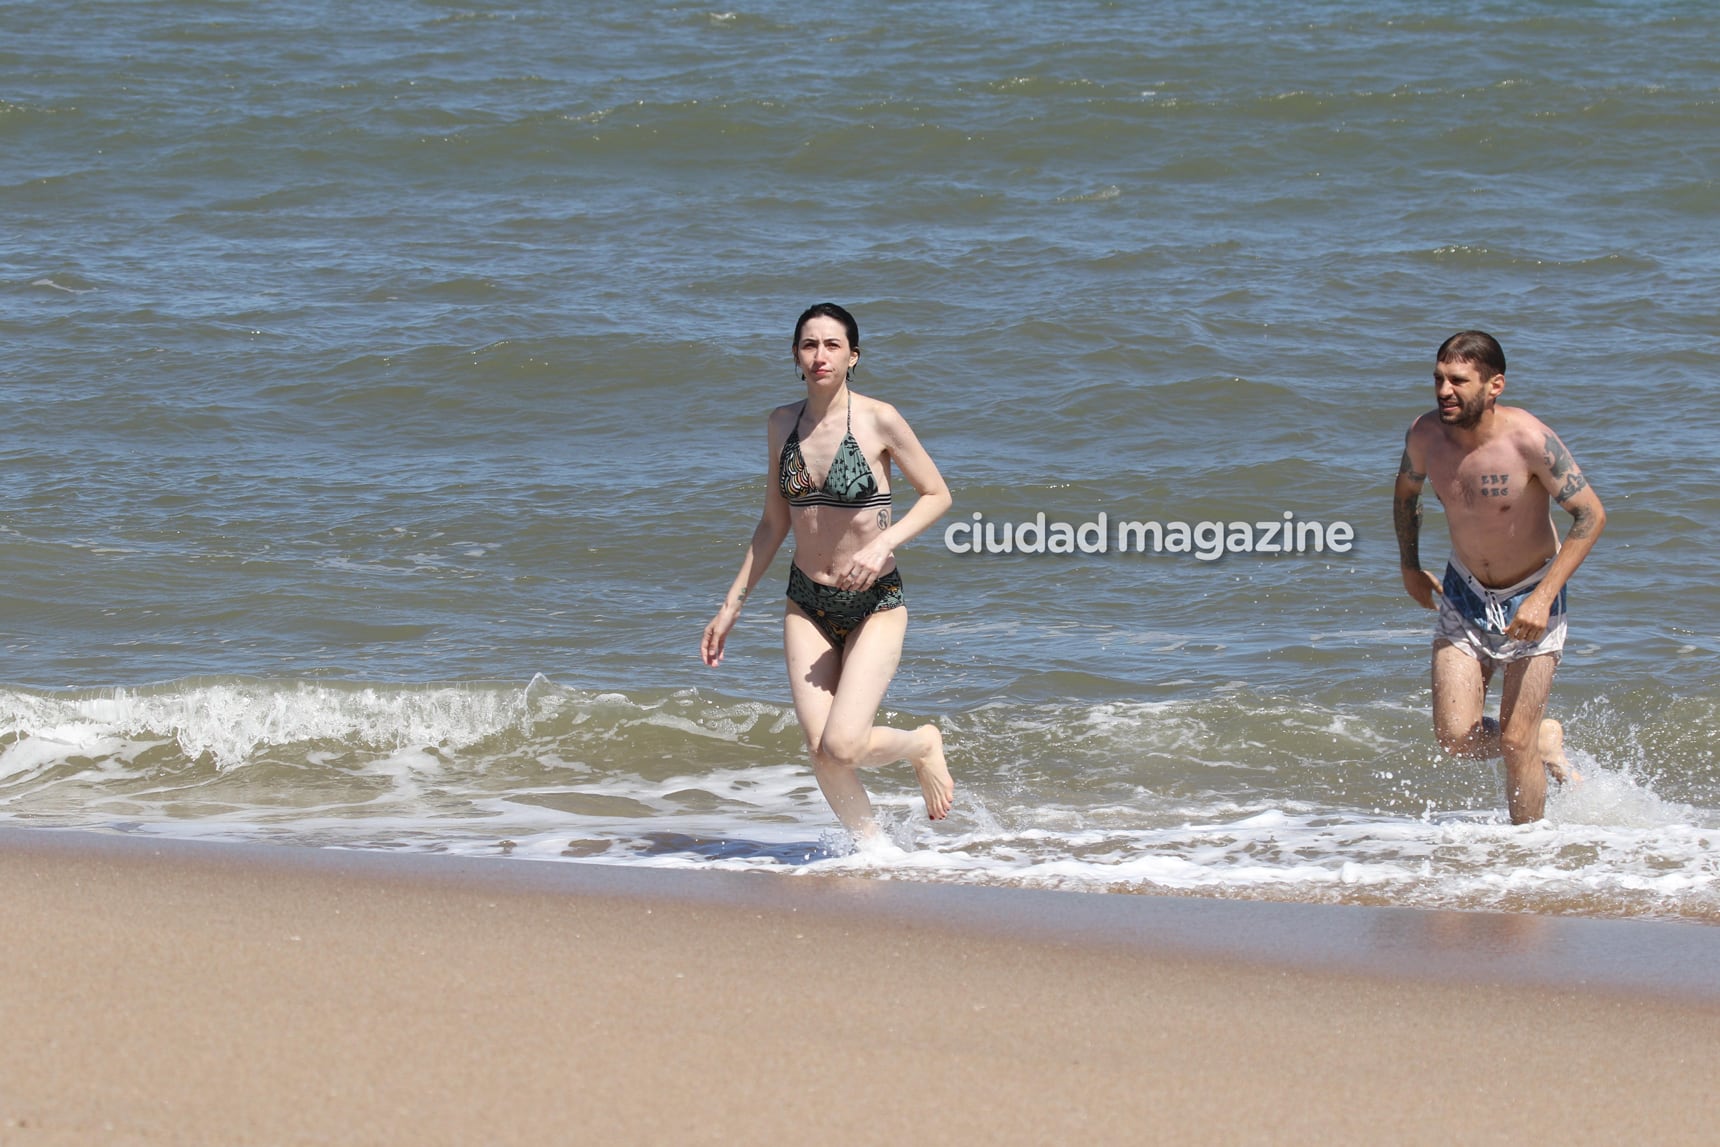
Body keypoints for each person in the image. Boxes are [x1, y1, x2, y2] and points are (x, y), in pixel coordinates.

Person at [702, 303, 955, 839]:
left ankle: (922, 744)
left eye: (832, 345)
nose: (820, 355)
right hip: (806, 602)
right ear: (795, 355)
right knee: (823, 753)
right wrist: (730, 608)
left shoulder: (878, 418)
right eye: (809, 344)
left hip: (875, 602)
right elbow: (773, 523)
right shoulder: (781, 424)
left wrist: (883, 541)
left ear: (853, 356)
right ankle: (872, 853)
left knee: (844, 743)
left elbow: (938, 494)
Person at [1393, 330, 1606, 823]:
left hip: (1532, 595)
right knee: (1455, 739)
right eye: (1439, 379)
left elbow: (1591, 516)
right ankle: (1545, 742)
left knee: (1515, 742)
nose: (1444, 390)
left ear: (1495, 386)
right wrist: (1410, 566)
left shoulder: (1530, 440)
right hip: (1464, 592)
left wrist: (1543, 598)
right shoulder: (1425, 435)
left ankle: (1525, 861)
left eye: (1459, 381)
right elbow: (1406, 495)